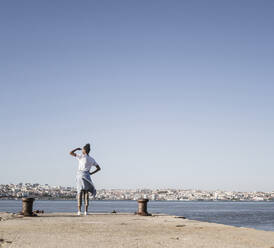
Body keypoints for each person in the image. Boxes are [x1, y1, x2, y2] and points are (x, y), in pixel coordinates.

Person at [69, 143, 101, 216]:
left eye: (82, 149)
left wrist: (76, 149)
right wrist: (91, 173)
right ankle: (86, 211)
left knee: (79, 193)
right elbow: (99, 168)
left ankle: (79, 211)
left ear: (84, 150)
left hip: (80, 175)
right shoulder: (92, 159)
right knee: (86, 193)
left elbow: (70, 153)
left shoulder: (81, 157)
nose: (81, 150)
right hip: (87, 175)